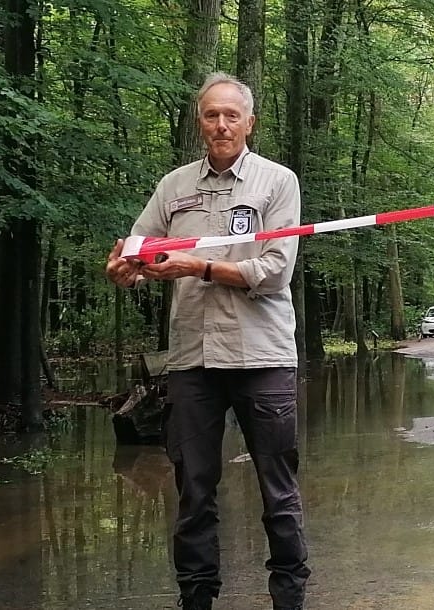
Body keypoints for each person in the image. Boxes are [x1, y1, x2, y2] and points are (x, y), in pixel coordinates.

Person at [105, 72, 308, 610]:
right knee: (193, 491)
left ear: (249, 122)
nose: (221, 125)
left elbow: (274, 269)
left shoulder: (276, 182)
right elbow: (140, 251)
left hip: (263, 356)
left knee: (278, 489)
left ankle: (289, 596)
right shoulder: (173, 187)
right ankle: (196, 599)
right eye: (211, 115)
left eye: (231, 115)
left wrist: (202, 266)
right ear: (200, 121)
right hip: (192, 360)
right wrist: (127, 269)